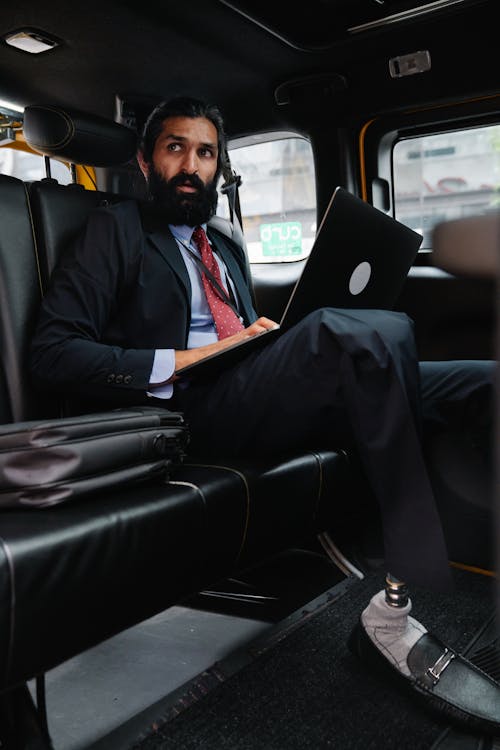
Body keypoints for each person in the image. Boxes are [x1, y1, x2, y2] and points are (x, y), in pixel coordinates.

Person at [29, 96, 499, 733]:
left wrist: (257, 340)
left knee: (480, 381)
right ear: (146, 161)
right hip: (188, 411)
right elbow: (54, 352)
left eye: (205, 152)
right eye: (175, 148)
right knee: (363, 331)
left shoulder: (220, 243)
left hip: (252, 388)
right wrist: (183, 359)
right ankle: (397, 599)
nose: (191, 165)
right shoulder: (116, 231)